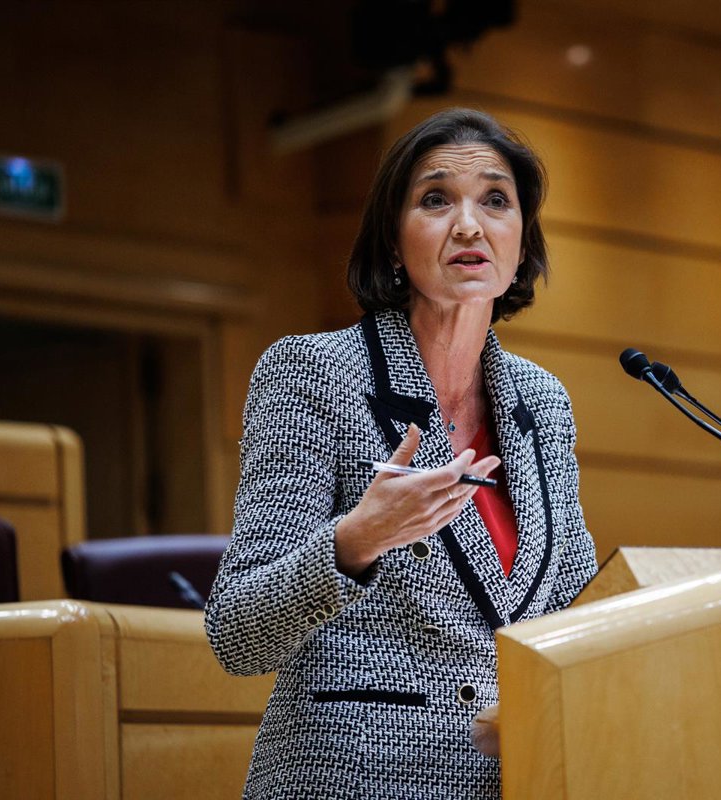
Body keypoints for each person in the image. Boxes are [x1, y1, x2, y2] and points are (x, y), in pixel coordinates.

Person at [204, 107, 598, 799]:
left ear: (521, 245)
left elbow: (579, 608)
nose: (469, 225)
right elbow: (237, 633)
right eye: (436, 199)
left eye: (496, 200)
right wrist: (356, 541)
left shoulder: (542, 401)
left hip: (520, 777)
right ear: (392, 241)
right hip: (354, 778)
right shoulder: (314, 374)